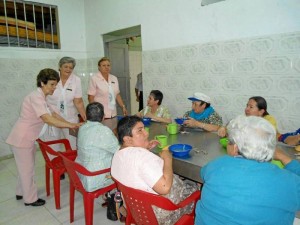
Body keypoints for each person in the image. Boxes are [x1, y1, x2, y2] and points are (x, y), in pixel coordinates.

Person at [195, 115, 300, 225]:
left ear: (235, 148)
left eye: (229, 142)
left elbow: (204, 174)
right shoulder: (290, 182)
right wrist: (285, 158)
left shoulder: (217, 165)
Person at [5, 68, 82, 207]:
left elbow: (54, 115)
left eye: (55, 84)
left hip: (27, 138)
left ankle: (20, 192)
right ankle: (30, 199)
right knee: (27, 169)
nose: (54, 87)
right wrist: (70, 126)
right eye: (52, 84)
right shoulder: (35, 97)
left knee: (25, 168)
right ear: (42, 83)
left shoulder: (42, 98)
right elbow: (47, 118)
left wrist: (72, 124)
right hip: (22, 138)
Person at [111, 116, 198, 225]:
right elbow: (165, 188)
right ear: (127, 139)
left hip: (134, 209)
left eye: (144, 129)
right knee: (196, 190)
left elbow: (132, 164)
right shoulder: (143, 158)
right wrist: (167, 159)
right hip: (159, 215)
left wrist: (144, 148)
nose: (146, 133)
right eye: (140, 131)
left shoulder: (117, 154)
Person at [43, 56, 86, 150]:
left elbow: (78, 101)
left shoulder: (76, 80)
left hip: (71, 118)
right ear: (60, 67)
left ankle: (72, 163)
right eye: (66, 66)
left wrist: (85, 117)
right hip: (53, 117)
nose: (68, 69)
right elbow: (43, 96)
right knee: (53, 144)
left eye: (71, 68)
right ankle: (54, 162)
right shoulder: (51, 78)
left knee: (73, 144)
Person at [75, 102, 119, 192]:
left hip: (80, 172)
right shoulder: (104, 131)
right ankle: (114, 196)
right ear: (103, 116)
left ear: (86, 116)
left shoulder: (82, 127)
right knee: (124, 163)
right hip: (95, 177)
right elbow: (118, 151)